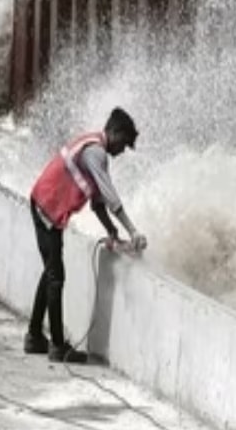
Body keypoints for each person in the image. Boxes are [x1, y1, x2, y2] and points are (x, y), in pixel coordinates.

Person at [26, 107, 147, 363]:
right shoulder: (96, 153)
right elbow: (110, 195)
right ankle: (57, 346)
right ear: (113, 132)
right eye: (123, 143)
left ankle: (34, 337)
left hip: (43, 204)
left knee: (50, 271)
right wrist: (133, 231)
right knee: (56, 277)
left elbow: (97, 202)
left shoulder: (90, 145)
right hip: (47, 208)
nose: (123, 150)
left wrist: (112, 231)